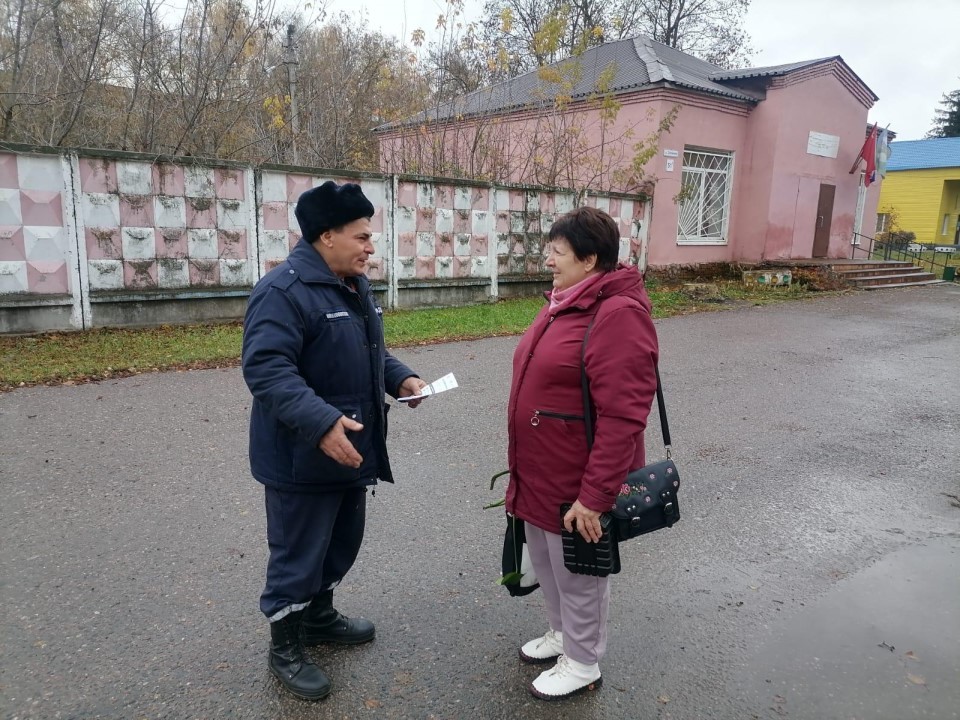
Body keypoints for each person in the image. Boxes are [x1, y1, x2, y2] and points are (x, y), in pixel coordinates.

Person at [241, 180, 427, 701]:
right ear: (326, 236)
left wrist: (401, 378)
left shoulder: (350, 285)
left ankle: (319, 618)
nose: (371, 247)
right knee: (297, 555)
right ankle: (285, 646)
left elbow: (369, 351)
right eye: (362, 236)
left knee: (339, 545)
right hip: (302, 457)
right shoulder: (282, 291)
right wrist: (321, 423)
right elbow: (267, 369)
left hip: (350, 452)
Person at [505, 206, 659, 700]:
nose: (547, 259)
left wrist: (594, 496)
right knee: (547, 563)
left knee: (577, 570)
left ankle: (583, 660)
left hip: (577, 475)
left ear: (590, 259)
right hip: (540, 467)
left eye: (557, 251)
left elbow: (623, 417)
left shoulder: (618, 315)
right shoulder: (565, 301)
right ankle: (562, 634)